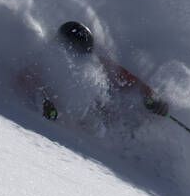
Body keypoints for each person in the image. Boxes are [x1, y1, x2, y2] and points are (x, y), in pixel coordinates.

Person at [17, 21, 169, 123]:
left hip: (107, 122)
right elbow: (26, 84)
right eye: (73, 51)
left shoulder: (97, 65)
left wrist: (152, 98)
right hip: (72, 132)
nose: (78, 58)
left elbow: (130, 81)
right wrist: (44, 103)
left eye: (83, 53)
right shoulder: (42, 63)